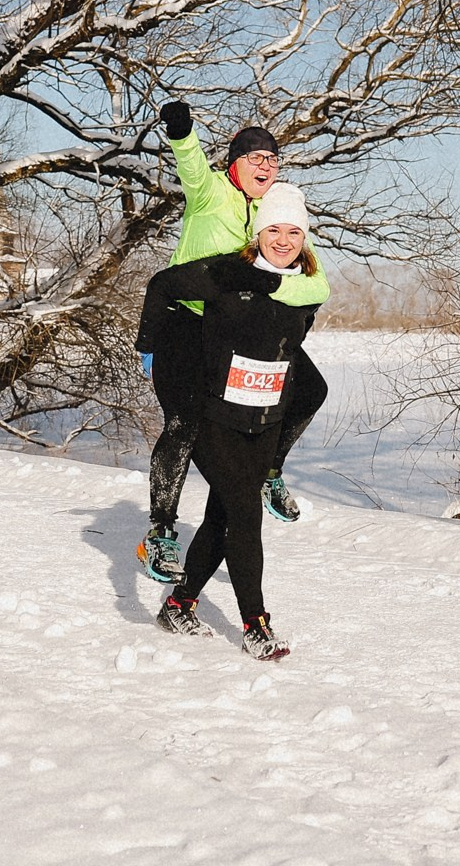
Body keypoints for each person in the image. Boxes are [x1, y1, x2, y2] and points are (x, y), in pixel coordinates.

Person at [136, 101, 330, 586]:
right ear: (234, 163)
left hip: (240, 328)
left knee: (309, 391)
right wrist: (182, 134)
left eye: (272, 158)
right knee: (184, 420)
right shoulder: (212, 193)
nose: (265, 164)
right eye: (254, 156)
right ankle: (160, 532)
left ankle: (269, 471)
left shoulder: (275, 211)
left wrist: (279, 294)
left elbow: (312, 278)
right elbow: (192, 167)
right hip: (187, 320)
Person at [143, 183, 322, 661]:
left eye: (293, 232)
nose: (283, 240)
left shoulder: (305, 288)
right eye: (273, 230)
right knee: (245, 514)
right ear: (258, 232)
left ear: (303, 238)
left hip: (262, 420)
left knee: (223, 516)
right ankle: (256, 624)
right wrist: (154, 350)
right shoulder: (225, 273)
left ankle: (179, 605)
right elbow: (162, 286)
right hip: (211, 415)